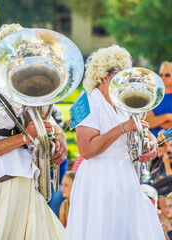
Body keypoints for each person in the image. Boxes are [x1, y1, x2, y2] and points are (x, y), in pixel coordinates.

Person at [0, 24, 69, 239]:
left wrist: (57, 132)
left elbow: (40, 120)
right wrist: (25, 136)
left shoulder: (17, 89)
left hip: (27, 182)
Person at [66, 45, 164, 240]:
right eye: (119, 76)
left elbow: (141, 128)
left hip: (126, 175)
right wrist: (121, 128)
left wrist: (151, 144)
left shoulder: (123, 99)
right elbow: (86, 150)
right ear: (103, 76)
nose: (124, 81)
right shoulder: (86, 100)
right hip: (98, 178)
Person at [145, 61, 172, 137]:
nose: (163, 78)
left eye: (167, 75)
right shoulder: (152, 95)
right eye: (160, 74)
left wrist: (157, 121)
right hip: (154, 144)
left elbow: (151, 122)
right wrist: (167, 116)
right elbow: (147, 122)